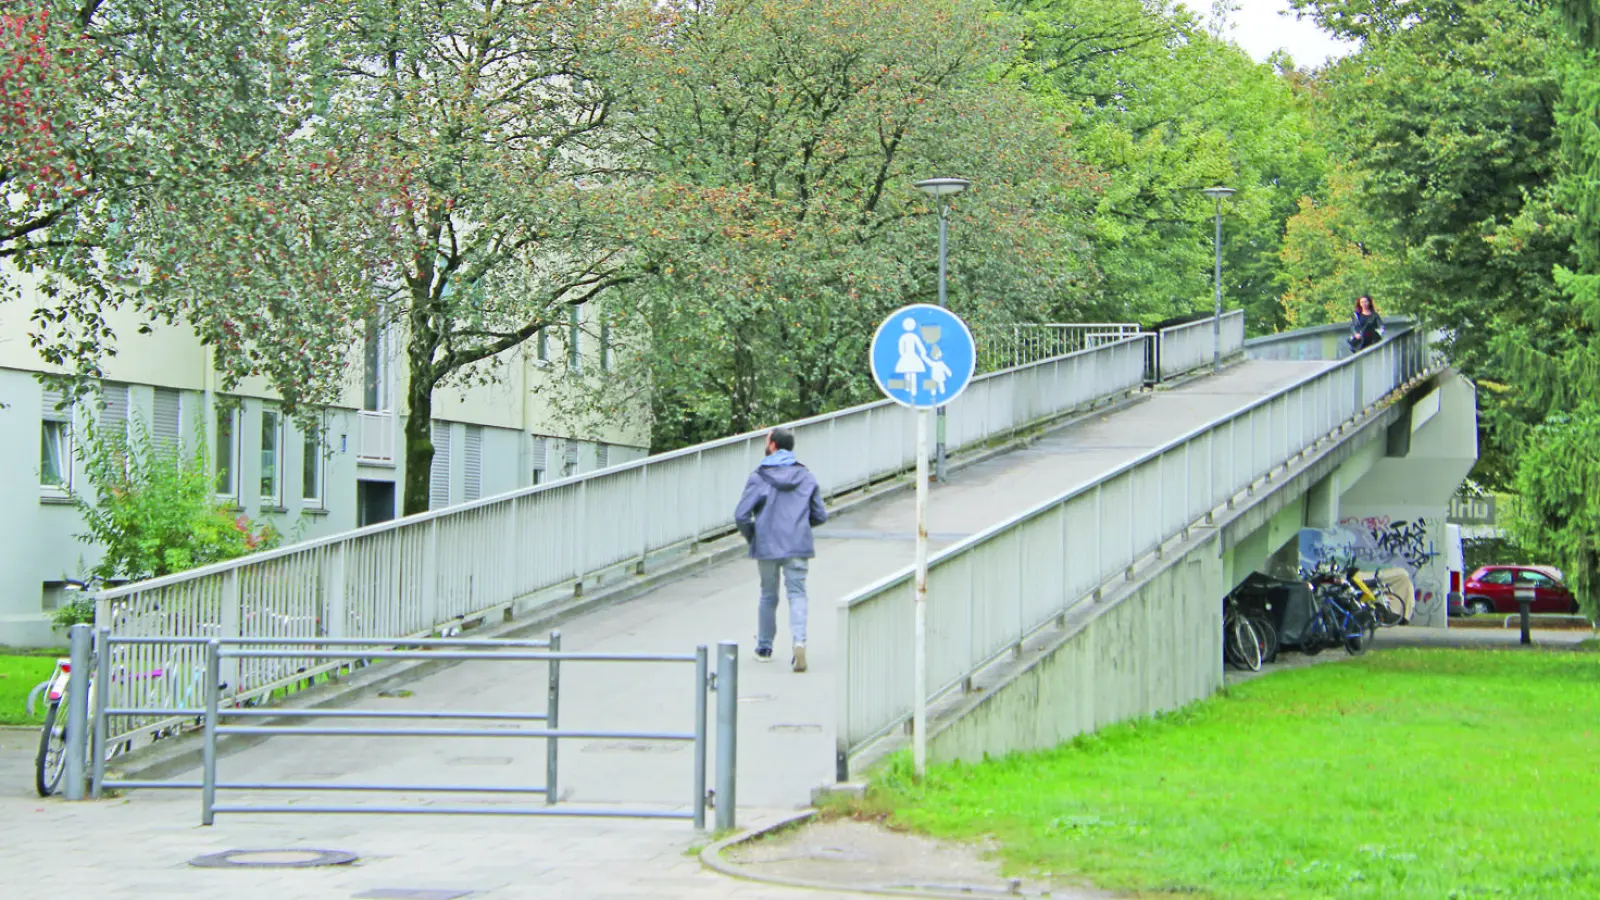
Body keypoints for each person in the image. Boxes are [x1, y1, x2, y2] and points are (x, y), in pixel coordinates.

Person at [733, 427, 829, 672]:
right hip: (797, 545)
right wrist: (801, 528)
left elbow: (741, 515)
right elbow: (820, 514)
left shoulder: (759, 476)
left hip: (766, 545)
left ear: (773, 445)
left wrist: (753, 535)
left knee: (768, 595)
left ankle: (764, 648)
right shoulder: (806, 477)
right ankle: (799, 642)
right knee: (797, 593)